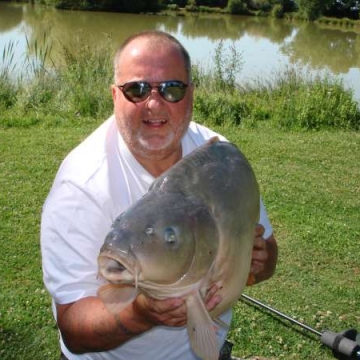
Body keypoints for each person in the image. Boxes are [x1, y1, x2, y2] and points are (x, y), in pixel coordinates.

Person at [40, 30, 278, 360]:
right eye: (136, 89)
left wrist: (259, 261)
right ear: (114, 95)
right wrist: (141, 314)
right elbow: (73, 326)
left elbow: (266, 256)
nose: (154, 103)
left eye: (172, 89)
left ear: (191, 94)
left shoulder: (220, 162)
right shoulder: (80, 186)